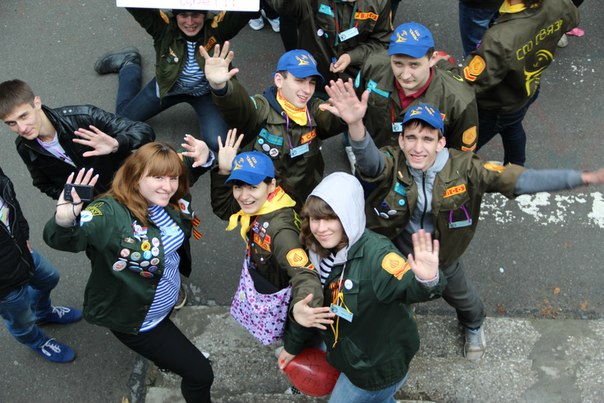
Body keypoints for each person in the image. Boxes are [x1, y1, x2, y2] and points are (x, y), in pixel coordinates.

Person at [322, 85, 604, 360]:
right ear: (401, 141)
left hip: (443, 257)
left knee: (463, 298)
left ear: (441, 142)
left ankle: (474, 325)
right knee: (391, 297)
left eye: (427, 139)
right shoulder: (393, 160)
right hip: (395, 253)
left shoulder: (467, 168)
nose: (418, 147)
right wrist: (356, 124)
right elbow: (370, 163)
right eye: (411, 138)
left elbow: (518, 180)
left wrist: (582, 178)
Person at [43, 141, 214, 402]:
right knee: (201, 375)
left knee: (174, 356)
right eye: (158, 178)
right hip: (140, 321)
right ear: (135, 177)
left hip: (164, 300)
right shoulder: (109, 213)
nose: (168, 186)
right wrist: (64, 220)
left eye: (173, 178)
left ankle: (169, 360)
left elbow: (190, 166)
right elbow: (69, 239)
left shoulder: (167, 194)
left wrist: (208, 155)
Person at [278, 172, 446, 402]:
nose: (321, 228)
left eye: (331, 218)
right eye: (315, 219)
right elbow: (309, 309)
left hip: (371, 370)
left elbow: (408, 288)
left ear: (349, 216)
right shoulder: (314, 250)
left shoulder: (377, 256)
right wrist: (292, 344)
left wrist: (428, 280)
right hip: (343, 352)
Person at [209, 130, 323, 340]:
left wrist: (304, 306)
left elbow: (303, 274)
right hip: (263, 273)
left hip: (278, 291)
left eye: (252, 187)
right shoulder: (263, 202)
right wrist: (223, 171)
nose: (244, 196)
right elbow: (225, 209)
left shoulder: (281, 231)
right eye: (237, 187)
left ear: (271, 185)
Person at [201, 44, 346, 205]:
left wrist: (346, 116)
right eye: (299, 80)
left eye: (312, 82)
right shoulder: (262, 108)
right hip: (264, 203)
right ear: (279, 80)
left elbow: (331, 121)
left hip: (303, 198)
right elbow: (240, 106)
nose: (307, 90)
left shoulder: (313, 109)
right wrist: (221, 87)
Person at [438, 0, 580, 165]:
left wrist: (442, 64)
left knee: (460, 149)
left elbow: (470, 82)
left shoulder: (498, 38)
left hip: (496, 105)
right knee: (513, 126)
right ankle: (516, 169)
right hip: (528, 88)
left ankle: (454, 170)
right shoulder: (557, 3)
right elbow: (573, 18)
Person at [94, 8, 252, 152]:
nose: (190, 22)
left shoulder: (217, 29)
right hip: (168, 88)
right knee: (120, 121)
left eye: (195, 15)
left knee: (218, 143)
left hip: (205, 93)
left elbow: (246, 10)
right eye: (183, 15)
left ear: (205, 15)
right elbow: (137, 7)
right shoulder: (163, 28)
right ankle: (129, 65)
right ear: (175, 16)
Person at [0, 79, 155, 200]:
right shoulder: (24, 147)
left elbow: (144, 131)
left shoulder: (83, 117)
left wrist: (116, 143)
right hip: (100, 205)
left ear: (37, 103)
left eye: (24, 116)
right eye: (11, 123)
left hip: (131, 184)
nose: (21, 128)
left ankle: (129, 66)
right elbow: (44, 184)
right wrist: (78, 199)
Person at [0, 166, 82, 363]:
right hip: (3, 285)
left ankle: (43, 313)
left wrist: (23, 234)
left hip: (19, 251)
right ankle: (37, 342)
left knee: (49, 278)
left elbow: (10, 200)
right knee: (23, 321)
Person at [354, 22, 478, 151]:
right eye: (398, 64)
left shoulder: (460, 101)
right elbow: (351, 109)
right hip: (372, 154)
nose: (405, 75)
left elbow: (461, 156)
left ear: (432, 59)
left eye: (414, 65)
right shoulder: (373, 66)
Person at [265, 0, 393, 85]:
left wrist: (351, 57)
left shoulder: (379, 3)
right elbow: (282, 6)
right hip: (313, 77)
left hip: (353, 81)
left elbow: (381, 42)